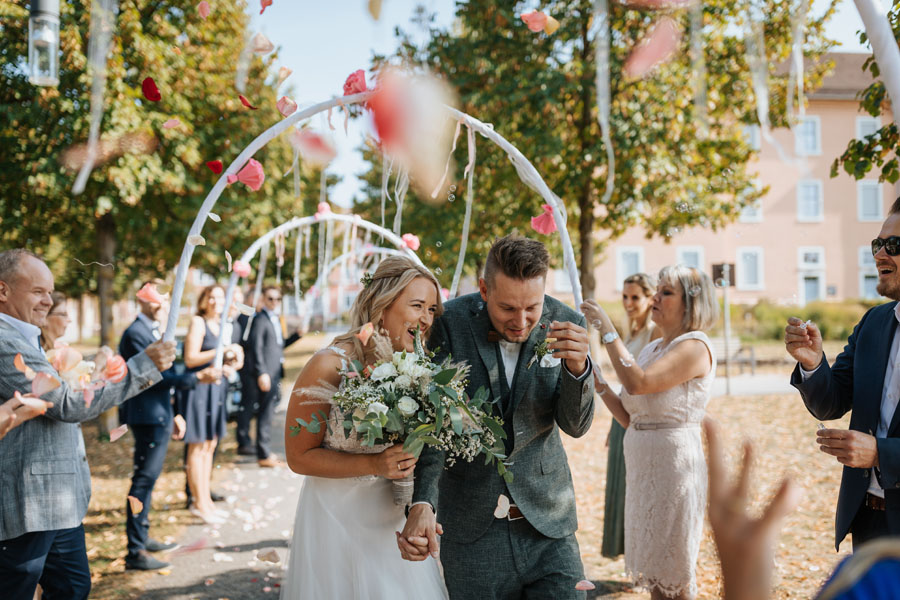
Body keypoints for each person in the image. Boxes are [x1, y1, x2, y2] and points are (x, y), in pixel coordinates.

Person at [399, 235, 595, 599]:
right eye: (507, 308)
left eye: (532, 308)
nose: (521, 322)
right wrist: (423, 502)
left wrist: (579, 369)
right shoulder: (448, 323)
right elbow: (433, 424)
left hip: (549, 527)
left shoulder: (569, 323)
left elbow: (576, 426)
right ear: (484, 289)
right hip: (473, 530)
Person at [0, 249, 175, 600]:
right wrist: (141, 366)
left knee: (73, 588)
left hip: (57, 500)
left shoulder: (25, 334)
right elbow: (65, 402)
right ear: (3, 290)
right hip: (29, 502)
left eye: (50, 291)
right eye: (37, 291)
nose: (48, 301)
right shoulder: (5, 341)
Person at [281, 256, 448, 598]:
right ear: (382, 305)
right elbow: (298, 456)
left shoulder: (416, 367)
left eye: (432, 309)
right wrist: (373, 464)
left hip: (391, 522)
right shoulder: (329, 365)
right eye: (417, 305)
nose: (426, 319)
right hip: (335, 519)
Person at [581, 264, 718, 599]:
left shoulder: (695, 346)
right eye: (657, 289)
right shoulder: (652, 349)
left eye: (666, 292)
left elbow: (638, 383)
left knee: (675, 574)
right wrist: (598, 383)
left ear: (691, 304)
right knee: (655, 574)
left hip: (674, 469)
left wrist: (607, 330)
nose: (655, 297)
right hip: (643, 471)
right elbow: (632, 417)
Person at [785, 199, 900, 550]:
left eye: (893, 245)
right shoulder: (873, 323)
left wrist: (882, 453)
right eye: (877, 244)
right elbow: (830, 403)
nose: (880, 253)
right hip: (867, 521)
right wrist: (813, 363)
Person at [118, 281, 221, 570]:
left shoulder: (155, 332)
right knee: (142, 480)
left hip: (161, 413)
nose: (162, 305)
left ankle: (143, 535)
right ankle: (135, 551)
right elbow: (157, 377)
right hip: (146, 415)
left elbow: (167, 373)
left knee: (148, 481)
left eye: (164, 300)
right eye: (156, 300)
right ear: (141, 300)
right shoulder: (136, 334)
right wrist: (197, 379)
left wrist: (175, 412)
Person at [603, 272, 662, 559]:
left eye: (635, 297)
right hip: (622, 420)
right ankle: (630, 553)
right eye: (625, 296)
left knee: (638, 492)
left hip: (642, 422)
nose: (628, 303)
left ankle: (646, 555)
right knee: (621, 488)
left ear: (651, 298)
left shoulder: (654, 333)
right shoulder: (632, 333)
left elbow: (645, 381)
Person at [177, 285, 242, 524]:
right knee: (197, 446)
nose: (215, 301)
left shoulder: (222, 324)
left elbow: (221, 357)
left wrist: (230, 361)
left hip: (217, 388)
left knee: (210, 445)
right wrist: (223, 350)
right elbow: (191, 358)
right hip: (198, 389)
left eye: (220, 297)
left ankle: (206, 500)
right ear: (203, 300)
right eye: (211, 297)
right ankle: (197, 502)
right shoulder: (198, 322)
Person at [237, 284, 303, 467]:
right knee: (264, 414)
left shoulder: (274, 319)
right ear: (263, 300)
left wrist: (296, 336)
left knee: (268, 413)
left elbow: (277, 346)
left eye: (278, 299)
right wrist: (261, 372)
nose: (274, 302)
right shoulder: (260, 320)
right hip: (264, 374)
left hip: (274, 373)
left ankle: (264, 452)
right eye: (270, 299)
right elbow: (256, 348)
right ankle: (263, 454)